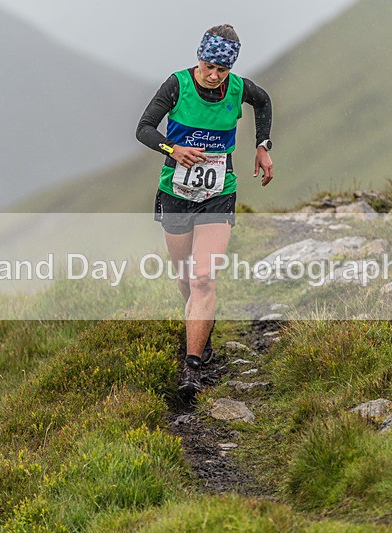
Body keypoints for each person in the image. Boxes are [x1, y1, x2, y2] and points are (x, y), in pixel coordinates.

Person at [136, 24, 274, 395]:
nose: (214, 76)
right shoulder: (177, 85)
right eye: (208, 66)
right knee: (185, 278)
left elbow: (263, 101)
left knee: (202, 279)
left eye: (222, 70)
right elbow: (144, 128)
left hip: (218, 192)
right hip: (176, 193)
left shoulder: (239, 88)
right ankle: (201, 325)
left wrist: (262, 144)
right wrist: (173, 150)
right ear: (199, 58)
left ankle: (192, 368)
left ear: (230, 69)